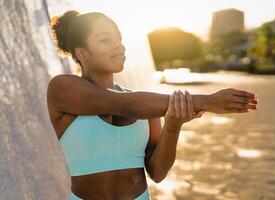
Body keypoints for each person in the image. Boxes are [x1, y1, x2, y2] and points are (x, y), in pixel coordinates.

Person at [47, 10, 258, 200]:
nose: (119, 45)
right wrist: (207, 101)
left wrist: (173, 126)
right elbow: (123, 105)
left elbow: (157, 172)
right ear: (82, 53)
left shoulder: (145, 104)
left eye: (119, 39)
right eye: (105, 40)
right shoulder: (62, 88)